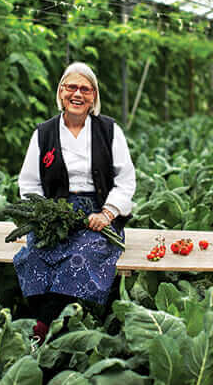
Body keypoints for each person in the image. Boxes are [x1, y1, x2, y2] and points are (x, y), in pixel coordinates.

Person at [13, 62, 136, 346]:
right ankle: (58, 324)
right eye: (71, 87)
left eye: (85, 89)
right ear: (60, 92)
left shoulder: (109, 130)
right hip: (56, 213)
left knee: (83, 253)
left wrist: (108, 213)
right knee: (34, 254)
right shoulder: (43, 133)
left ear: (94, 96)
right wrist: (44, 214)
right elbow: (29, 183)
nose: (77, 94)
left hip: (98, 214)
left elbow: (126, 180)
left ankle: (41, 328)